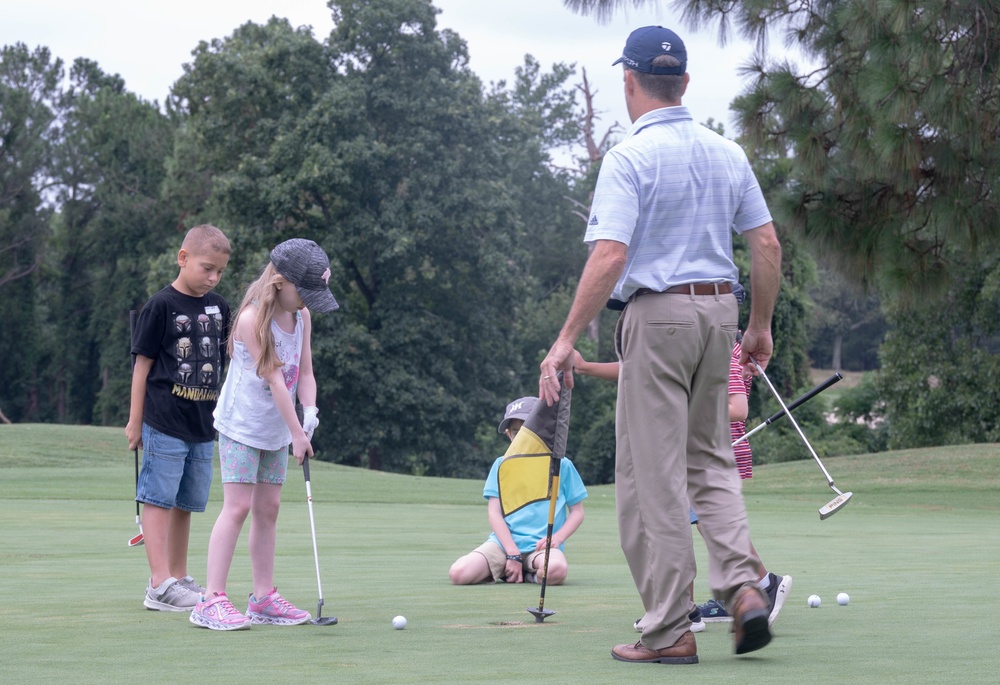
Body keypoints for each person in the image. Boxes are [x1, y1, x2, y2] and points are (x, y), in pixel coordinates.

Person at [538, 25, 783, 665]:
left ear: (629, 80)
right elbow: (766, 246)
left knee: (652, 480)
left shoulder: (628, 158)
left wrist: (566, 339)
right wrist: (758, 326)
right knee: (710, 460)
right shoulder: (728, 153)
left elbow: (612, 253)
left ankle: (671, 629)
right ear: (685, 83)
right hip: (719, 313)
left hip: (658, 316)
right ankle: (743, 587)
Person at [573, 335, 793, 633]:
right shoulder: (697, 347)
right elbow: (640, 369)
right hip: (695, 450)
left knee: (693, 522)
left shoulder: (723, 351)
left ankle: (751, 589)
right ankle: (692, 608)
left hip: (714, 451)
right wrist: (585, 367)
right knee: (692, 522)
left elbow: (738, 408)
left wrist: (683, 409)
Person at [190, 239, 339, 631]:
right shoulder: (251, 321)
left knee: (268, 509)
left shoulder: (302, 317)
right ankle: (211, 599)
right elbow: (275, 379)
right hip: (242, 426)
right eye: (303, 293)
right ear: (279, 282)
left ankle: (262, 598)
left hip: (276, 428)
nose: (306, 301)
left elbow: (304, 373)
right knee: (237, 507)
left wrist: (310, 414)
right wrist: (297, 434)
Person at [126, 224, 232, 611]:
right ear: (183, 258)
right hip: (164, 419)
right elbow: (142, 365)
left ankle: (179, 576)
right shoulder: (161, 305)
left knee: (186, 502)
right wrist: (135, 420)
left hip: (203, 423)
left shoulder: (219, 306)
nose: (213, 278)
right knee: (159, 497)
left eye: (220, 271)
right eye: (207, 268)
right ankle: (159, 584)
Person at [448, 397, 587, 586]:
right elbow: (494, 514)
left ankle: (530, 575)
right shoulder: (501, 465)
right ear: (508, 434)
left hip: (541, 547)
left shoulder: (562, 465)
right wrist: (512, 553)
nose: (522, 438)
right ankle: (511, 567)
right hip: (503, 545)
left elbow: (577, 512)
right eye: (516, 432)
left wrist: (557, 538)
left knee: (556, 570)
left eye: (527, 432)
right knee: (458, 573)